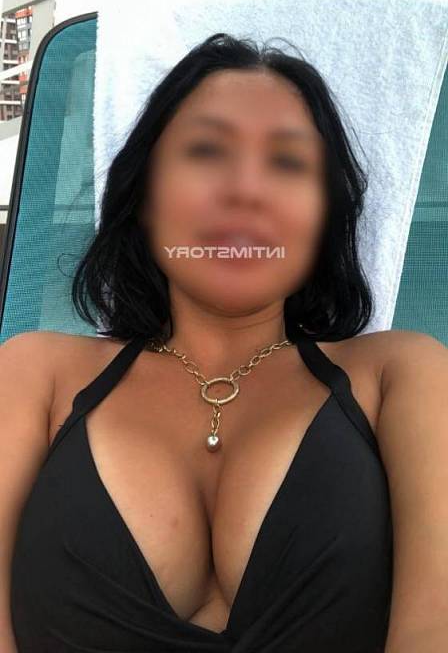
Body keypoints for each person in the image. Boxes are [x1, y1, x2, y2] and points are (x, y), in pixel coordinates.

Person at [2, 32, 448, 652]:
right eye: (207, 151)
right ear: (145, 196)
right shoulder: (34, 373)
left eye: (288, 162)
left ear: (325, 213)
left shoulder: (403, 376)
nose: (245, 190)